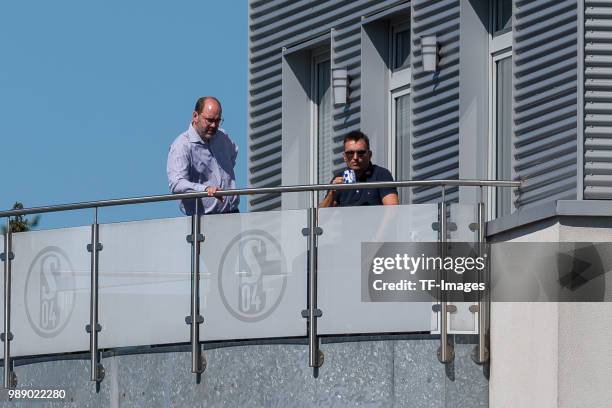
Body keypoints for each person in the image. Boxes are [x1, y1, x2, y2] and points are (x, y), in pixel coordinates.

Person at [167, 96, 239, 215]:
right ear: (195, 116)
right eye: (209, 120)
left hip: (233, 214)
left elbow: (233, 155)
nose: (214, 125)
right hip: (203, 221)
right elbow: (176, 183)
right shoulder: (182, 145)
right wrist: (204, 189)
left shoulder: (222, 137)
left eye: (217, 121)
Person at [320, 130, 399, 207]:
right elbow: (321, 216)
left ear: (369, 155)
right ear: (344, 157)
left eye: (360, 153)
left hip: (374, 220)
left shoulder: (381, 174)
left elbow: (392, 209)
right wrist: (332, 193)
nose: (355, 157)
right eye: (350, 153)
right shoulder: (339, 178)